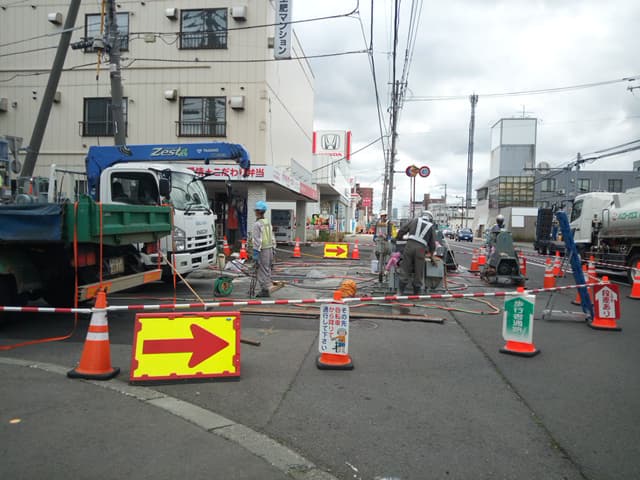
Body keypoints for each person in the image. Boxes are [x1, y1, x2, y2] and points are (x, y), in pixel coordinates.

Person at [395, 210, 437, 295]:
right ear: (430, 218)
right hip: (421, 249)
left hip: (409, 246)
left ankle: (400, 292)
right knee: (419, 270)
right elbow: (432, 243)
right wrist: (431, 254)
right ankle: (416, 294)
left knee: (405, 267)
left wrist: (398, 238)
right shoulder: (431, 226)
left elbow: (402, 230)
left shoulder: (415, 220)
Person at [251, 200, 276, 297]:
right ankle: (267, 286)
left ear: (258, 211)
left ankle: (265, 289)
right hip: (270, 249)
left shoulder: (257, 224)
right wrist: (274, 249)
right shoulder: (267, 222)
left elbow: (257, 240)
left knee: (261, 270)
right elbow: (272, 237)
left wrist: (255, 253)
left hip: (262, 250)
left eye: (255, 210)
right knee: (267, 268)